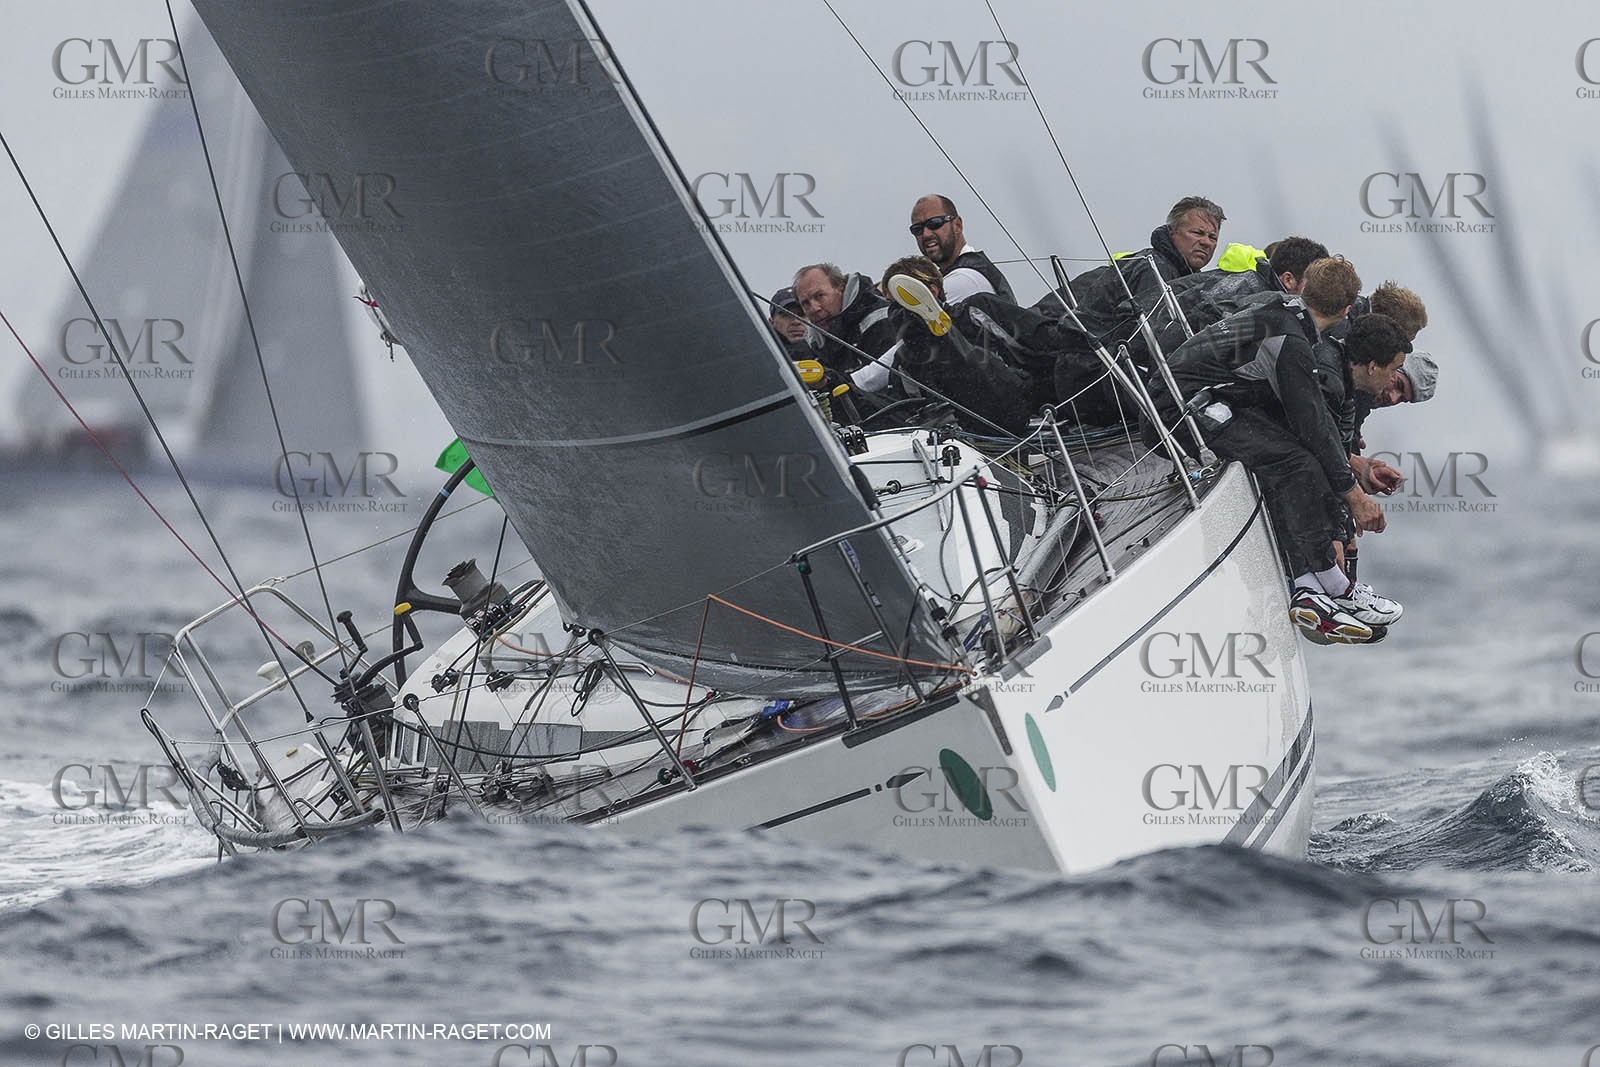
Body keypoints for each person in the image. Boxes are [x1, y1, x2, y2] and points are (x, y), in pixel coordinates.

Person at [1154, 258, 1410, 643]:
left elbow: (1318, 429)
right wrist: (1354, 497)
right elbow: (1313, 427)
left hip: (1200, 398)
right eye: (1393, 370)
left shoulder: (1289, 314)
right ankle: (1330, 585)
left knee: (1298, 459)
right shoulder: (1293, 343)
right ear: (1345, 310)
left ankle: (1313, 586)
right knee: (1296, 463)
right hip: (1179, 410)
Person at [908, 194, 1016, 304]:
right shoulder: (963, 271)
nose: (926, 234)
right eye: (917, 229)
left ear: (957, 225)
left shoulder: (964, 279)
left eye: (935, 223)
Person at [766, 285, 809, 357]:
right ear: (771, 322)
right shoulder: (762, 354)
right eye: (786, 315)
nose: (796, 321)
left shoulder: (824, 352)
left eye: (801, 314)